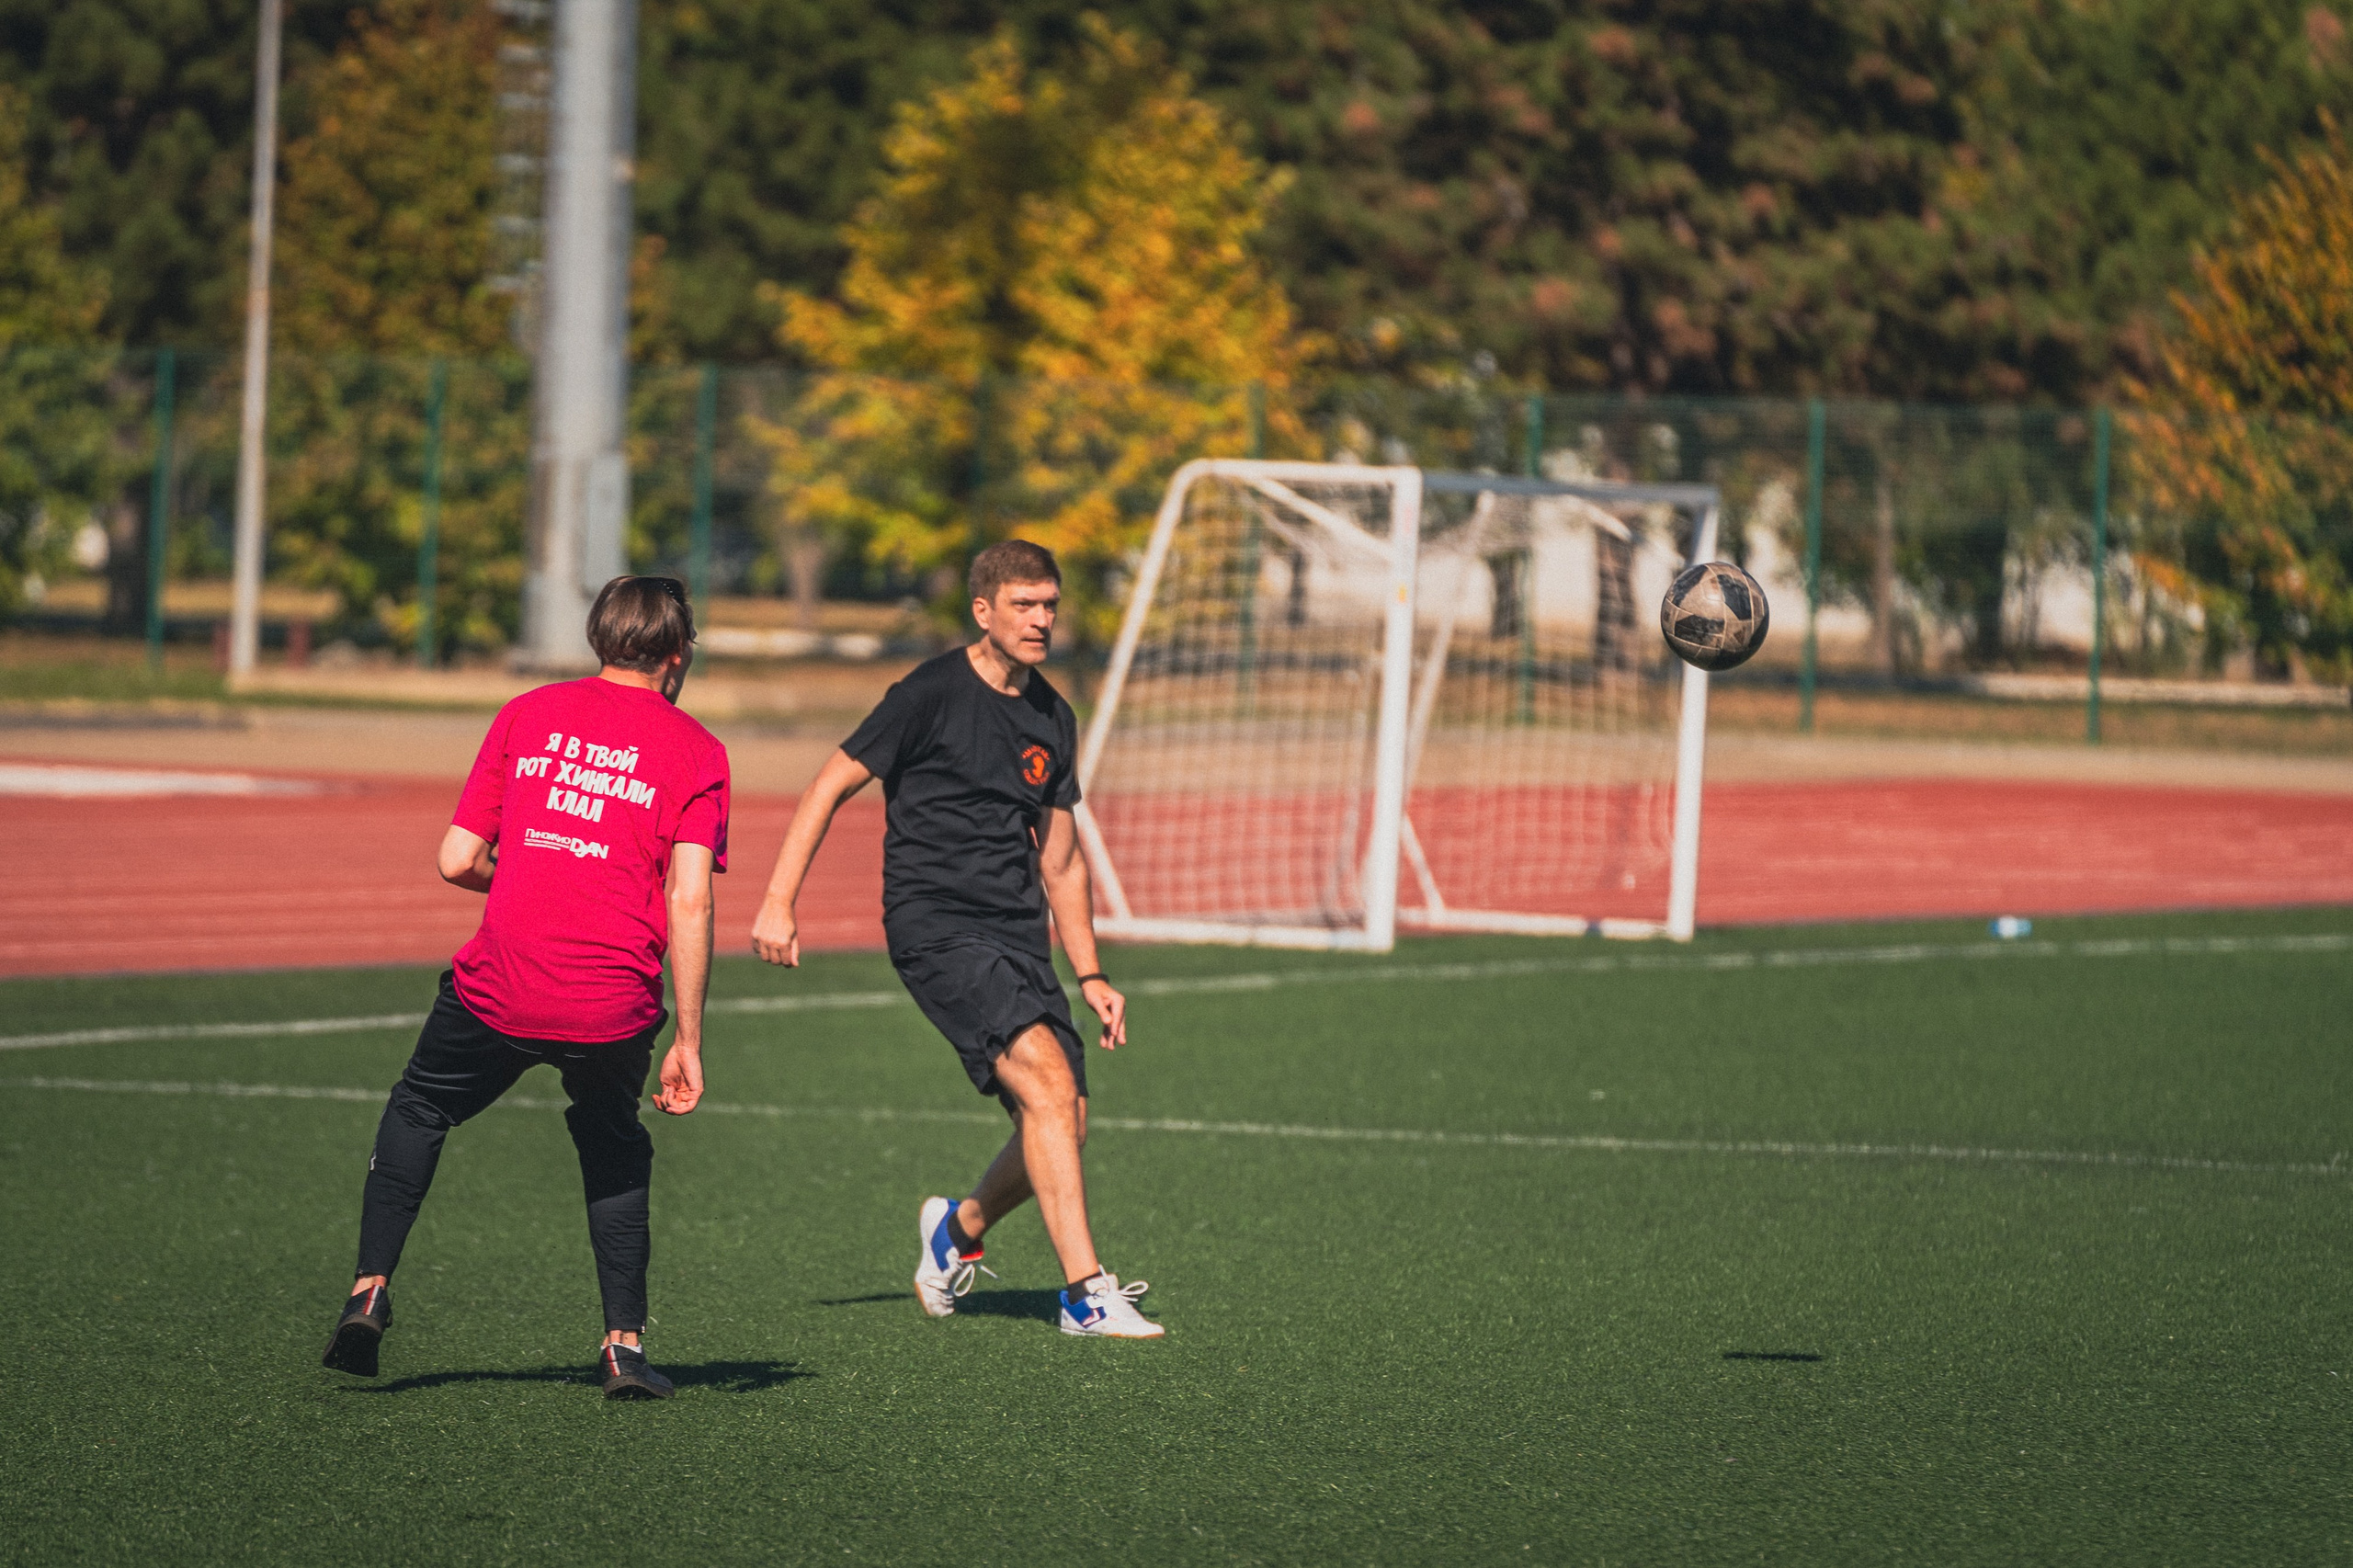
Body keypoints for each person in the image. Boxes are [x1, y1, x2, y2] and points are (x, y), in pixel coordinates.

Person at [319, 577, 730, 1398]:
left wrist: (532, 878)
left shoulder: (526, 715)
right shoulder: (698, 750)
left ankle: (369, 1291)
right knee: (613, 1151)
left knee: (421, 1108)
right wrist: (687, 1037)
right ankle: (623, 1348)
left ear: (598, 640)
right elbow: (690, 897)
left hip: (500, 985)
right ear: (677, 655)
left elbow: (457, 859)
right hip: (611, 1001)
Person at [750, 540, 1160, 1338]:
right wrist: (777, 901)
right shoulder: (928, 694)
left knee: (1064, 1117)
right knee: (1043, 1082)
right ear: (984, 611)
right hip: (934, 924)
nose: (1042, 620)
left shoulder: (1053, 717)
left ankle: (957, 1230)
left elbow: (1062, 862)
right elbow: (830, 784)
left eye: (1050, 605)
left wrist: (1092, 973)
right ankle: (1083, 1293)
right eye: (1025, 606)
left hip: (1016, 933)